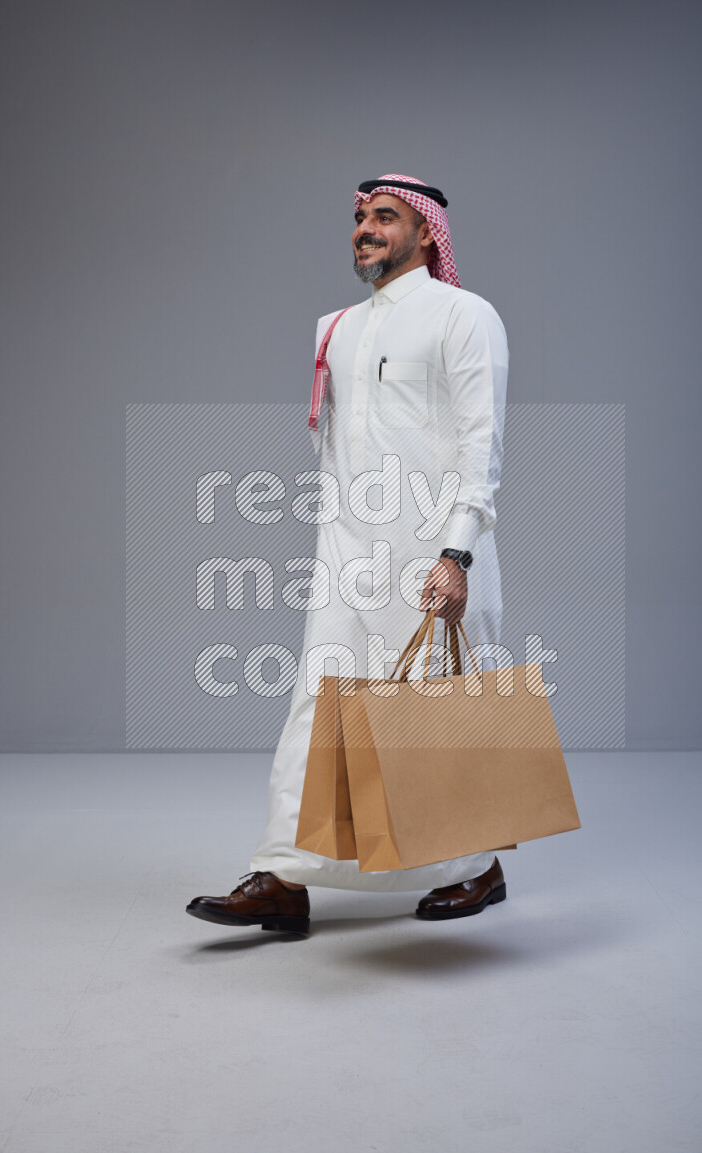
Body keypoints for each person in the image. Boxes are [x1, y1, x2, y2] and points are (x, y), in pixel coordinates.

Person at [186, 174, 510, 935]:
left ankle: (477, 865)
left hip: (433, 550)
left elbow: (482, 443)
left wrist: (457, 551)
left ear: (427, 233)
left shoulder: (465, 316)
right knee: (319, 708)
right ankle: (285, 876)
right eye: (361, 217)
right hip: (347, 554)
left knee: (437, 711)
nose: (365, 228)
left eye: (385, 217)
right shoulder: (337, 326)